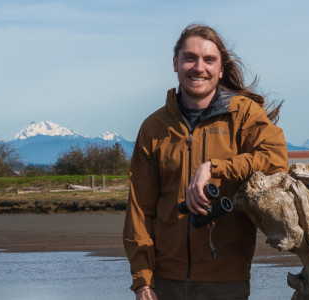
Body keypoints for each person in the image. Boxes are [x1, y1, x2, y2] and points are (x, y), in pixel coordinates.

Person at [123, 24, 289, 300]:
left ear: (221, 69)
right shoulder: (154, 127)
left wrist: (213, 168)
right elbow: (140, 210)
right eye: (190, 58)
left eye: (209, 60)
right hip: (165, 282)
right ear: (175, 63)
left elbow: (275, 160)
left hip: (226, 280)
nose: (199, 67)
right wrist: (142, 281)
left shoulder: (244, 114)